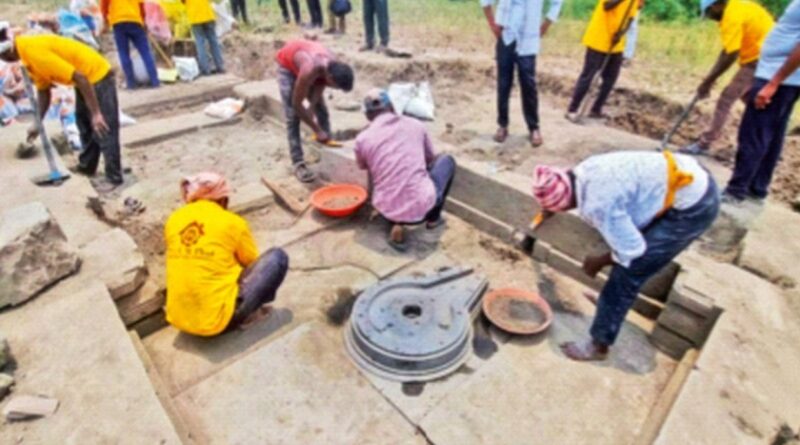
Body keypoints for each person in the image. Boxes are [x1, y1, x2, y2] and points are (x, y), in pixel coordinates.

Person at [532, 151, 719, 361]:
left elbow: (632, 250)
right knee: (620, 247)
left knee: (628, 273)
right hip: (684, 177)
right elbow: (572, 191)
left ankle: (598, 345)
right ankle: (608, 308)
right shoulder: (585, 169)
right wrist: (552, 204)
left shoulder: (599, 206)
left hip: (694, 207)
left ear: (565, 203)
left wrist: (598, 262)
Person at [164, 173, 289, 336]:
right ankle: (249, 314)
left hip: (179, 319)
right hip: (218, 322)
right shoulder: (233, 222)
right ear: (222, 199)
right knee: (276, 257)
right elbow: (251, 262)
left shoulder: (174, 219)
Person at [0, 27, 123, 192]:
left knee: (103, 127)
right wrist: (38, 123)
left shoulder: (34, 53)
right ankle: (87, 166)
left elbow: (79, 76)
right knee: (84, 123)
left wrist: (96, 113)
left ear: (6, 55)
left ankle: (113, 177)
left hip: (96, 75)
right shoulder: (25, 54)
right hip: (85, 80)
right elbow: (44, 91)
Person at [355, 90, 456, 251]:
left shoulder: (362, 139)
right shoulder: (415, 125)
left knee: (384, 171)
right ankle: (433, 220)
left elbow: (362, 166)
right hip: (421, 208)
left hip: (384, 209)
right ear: (393, 108)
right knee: (447, 161)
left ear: (368, 116)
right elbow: (430, 158)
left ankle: (397, 221)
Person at [724, 0, 800, 203]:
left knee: (754, 134)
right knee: (773, 134)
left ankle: (736, 190)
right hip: (780, 76)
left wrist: (773, 82)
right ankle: (756, 188)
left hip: (780, 77)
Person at [680, 0, 774, 155]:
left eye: (710, 13)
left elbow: (730, 54)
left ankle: (705, 143)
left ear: (716, 6)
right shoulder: (738, 6)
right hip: (767, 55)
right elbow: (727, 50)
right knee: (750, 99)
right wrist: (709, 79)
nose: (711, 18)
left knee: (726, 98)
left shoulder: (731, 15)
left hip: (759, 58)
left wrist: (708, 82)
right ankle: (764, 142)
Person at [481, 0, 563, 147]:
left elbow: (557, 3)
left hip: (528, 40)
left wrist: (545, 26)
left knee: (528, 84)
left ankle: (534, 127)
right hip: (506, 35)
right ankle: (503, 125)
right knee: (504, 83)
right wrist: (492, 24)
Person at [275, 39, 354, 183]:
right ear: (330, 77)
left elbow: (320, 84)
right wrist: (316, 129)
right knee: (293, 117)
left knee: (321, 109)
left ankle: (326, 148)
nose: (334, 89)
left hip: (312, 68)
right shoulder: (309, 69)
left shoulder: (331, 64)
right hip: (287, 67)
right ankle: (298, 163)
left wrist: (311, 106)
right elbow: (296, 104)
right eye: (335, 87)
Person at [565, 0, 640, 122]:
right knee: (588, 75)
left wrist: (621, 33)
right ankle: (572, 109)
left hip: (616, 44)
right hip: (598, 39)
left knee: (611, 78)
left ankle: (596, 109)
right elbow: (607, 5)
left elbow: (631, 18)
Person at [102, 0, 160, 89]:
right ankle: (155, 81)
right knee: (145, 52)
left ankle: (131, 84)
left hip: (118, 21)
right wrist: (143, 21)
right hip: (135, 20)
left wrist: (105, 20)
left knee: (123, 52)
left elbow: (104, 4)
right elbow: (141, 6)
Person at [184, 0, 225, 76]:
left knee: (200, 43)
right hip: (207, 14)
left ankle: (205, 69)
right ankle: (220, 66)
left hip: (195, 16)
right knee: (214, 41)